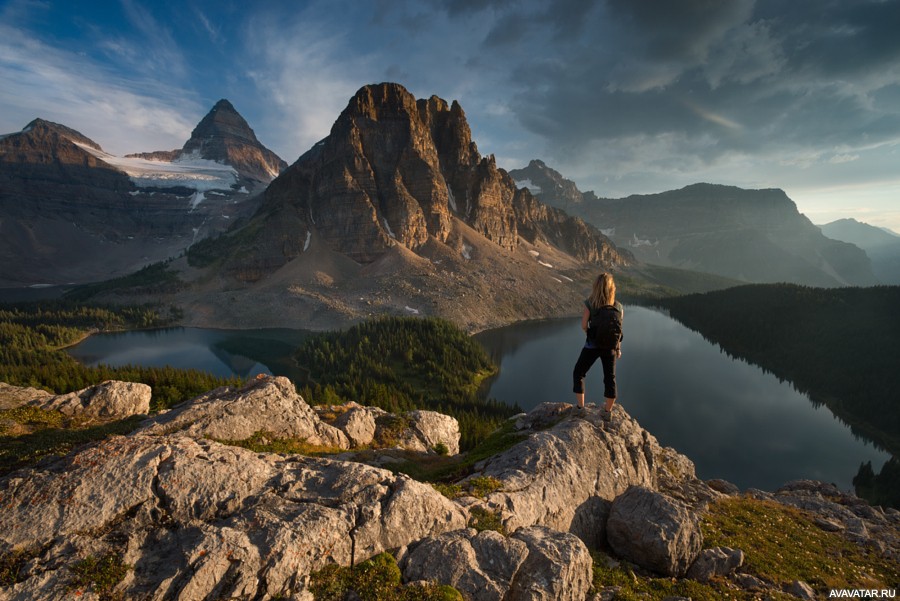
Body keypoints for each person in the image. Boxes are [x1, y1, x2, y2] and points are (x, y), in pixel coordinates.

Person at [572, 272, 623, 420]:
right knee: (610, 378)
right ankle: (607, 412)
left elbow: (583, 325)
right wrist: (618, 348)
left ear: (596, 287)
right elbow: (618, 331)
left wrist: (591, 333)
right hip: (610, 348)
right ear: (612, 288)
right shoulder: (618, 307)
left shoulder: (590, 303)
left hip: (592, 345)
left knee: (579, 372)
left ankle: (580, 409)